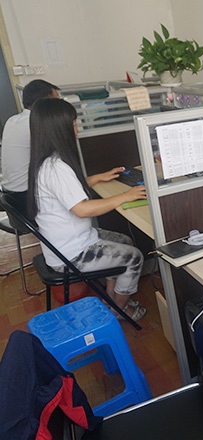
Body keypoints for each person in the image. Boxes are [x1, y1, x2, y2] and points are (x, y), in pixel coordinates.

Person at [28, 98, 147, 321]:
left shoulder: (46, 162)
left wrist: (97, 178)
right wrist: (125, 196)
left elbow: (66, 190)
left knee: (125, 241)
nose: (77, 129)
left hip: (69, 242)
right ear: (58, 129)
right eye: (73, 125)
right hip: (71, 254)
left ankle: (111, 297)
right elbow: (82, 209)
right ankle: (119, 311)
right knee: (134, 257)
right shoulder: (56, 167)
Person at [1, 79, 59, 214]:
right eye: (56, 101)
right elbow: (58, 160)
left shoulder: (12, 120)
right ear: (44, 102)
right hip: (26, 196)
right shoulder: (35, 125)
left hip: (10, 194)